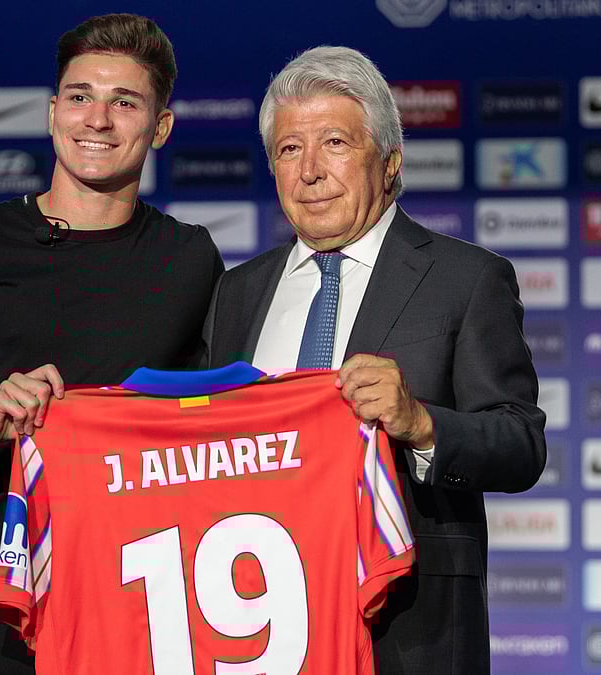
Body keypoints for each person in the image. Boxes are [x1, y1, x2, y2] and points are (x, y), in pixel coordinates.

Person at [0, 14, 223, 674]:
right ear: (52, 110)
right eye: (80, 96)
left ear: (161, 126)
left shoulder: (191, 258)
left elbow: (211, 427)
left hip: (136, 613)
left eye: (125, 102)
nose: (97, 119)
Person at [201, 46, 546, 674]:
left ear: (389, 163)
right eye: (288, 150)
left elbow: (520, 443)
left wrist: (421, 423)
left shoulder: (466, 279)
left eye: (334, 142)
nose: (309, 172)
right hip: (256, 624)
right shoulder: (237, 291)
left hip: (409, 630)